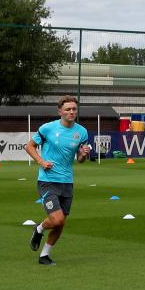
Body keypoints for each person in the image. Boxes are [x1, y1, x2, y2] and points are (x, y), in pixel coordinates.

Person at [26, 96, 91, 265]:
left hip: (67, 182)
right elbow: (29, 146)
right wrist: (41, 162)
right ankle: (39, 229)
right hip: (47, 180)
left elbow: (80, 159)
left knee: (61, 223)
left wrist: (83, 154)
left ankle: (44, 255)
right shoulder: (48, 128)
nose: (71, 112)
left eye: (74, 109)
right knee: (57, 219)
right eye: (68, 109)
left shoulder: (81, 132)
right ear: (60, 111)